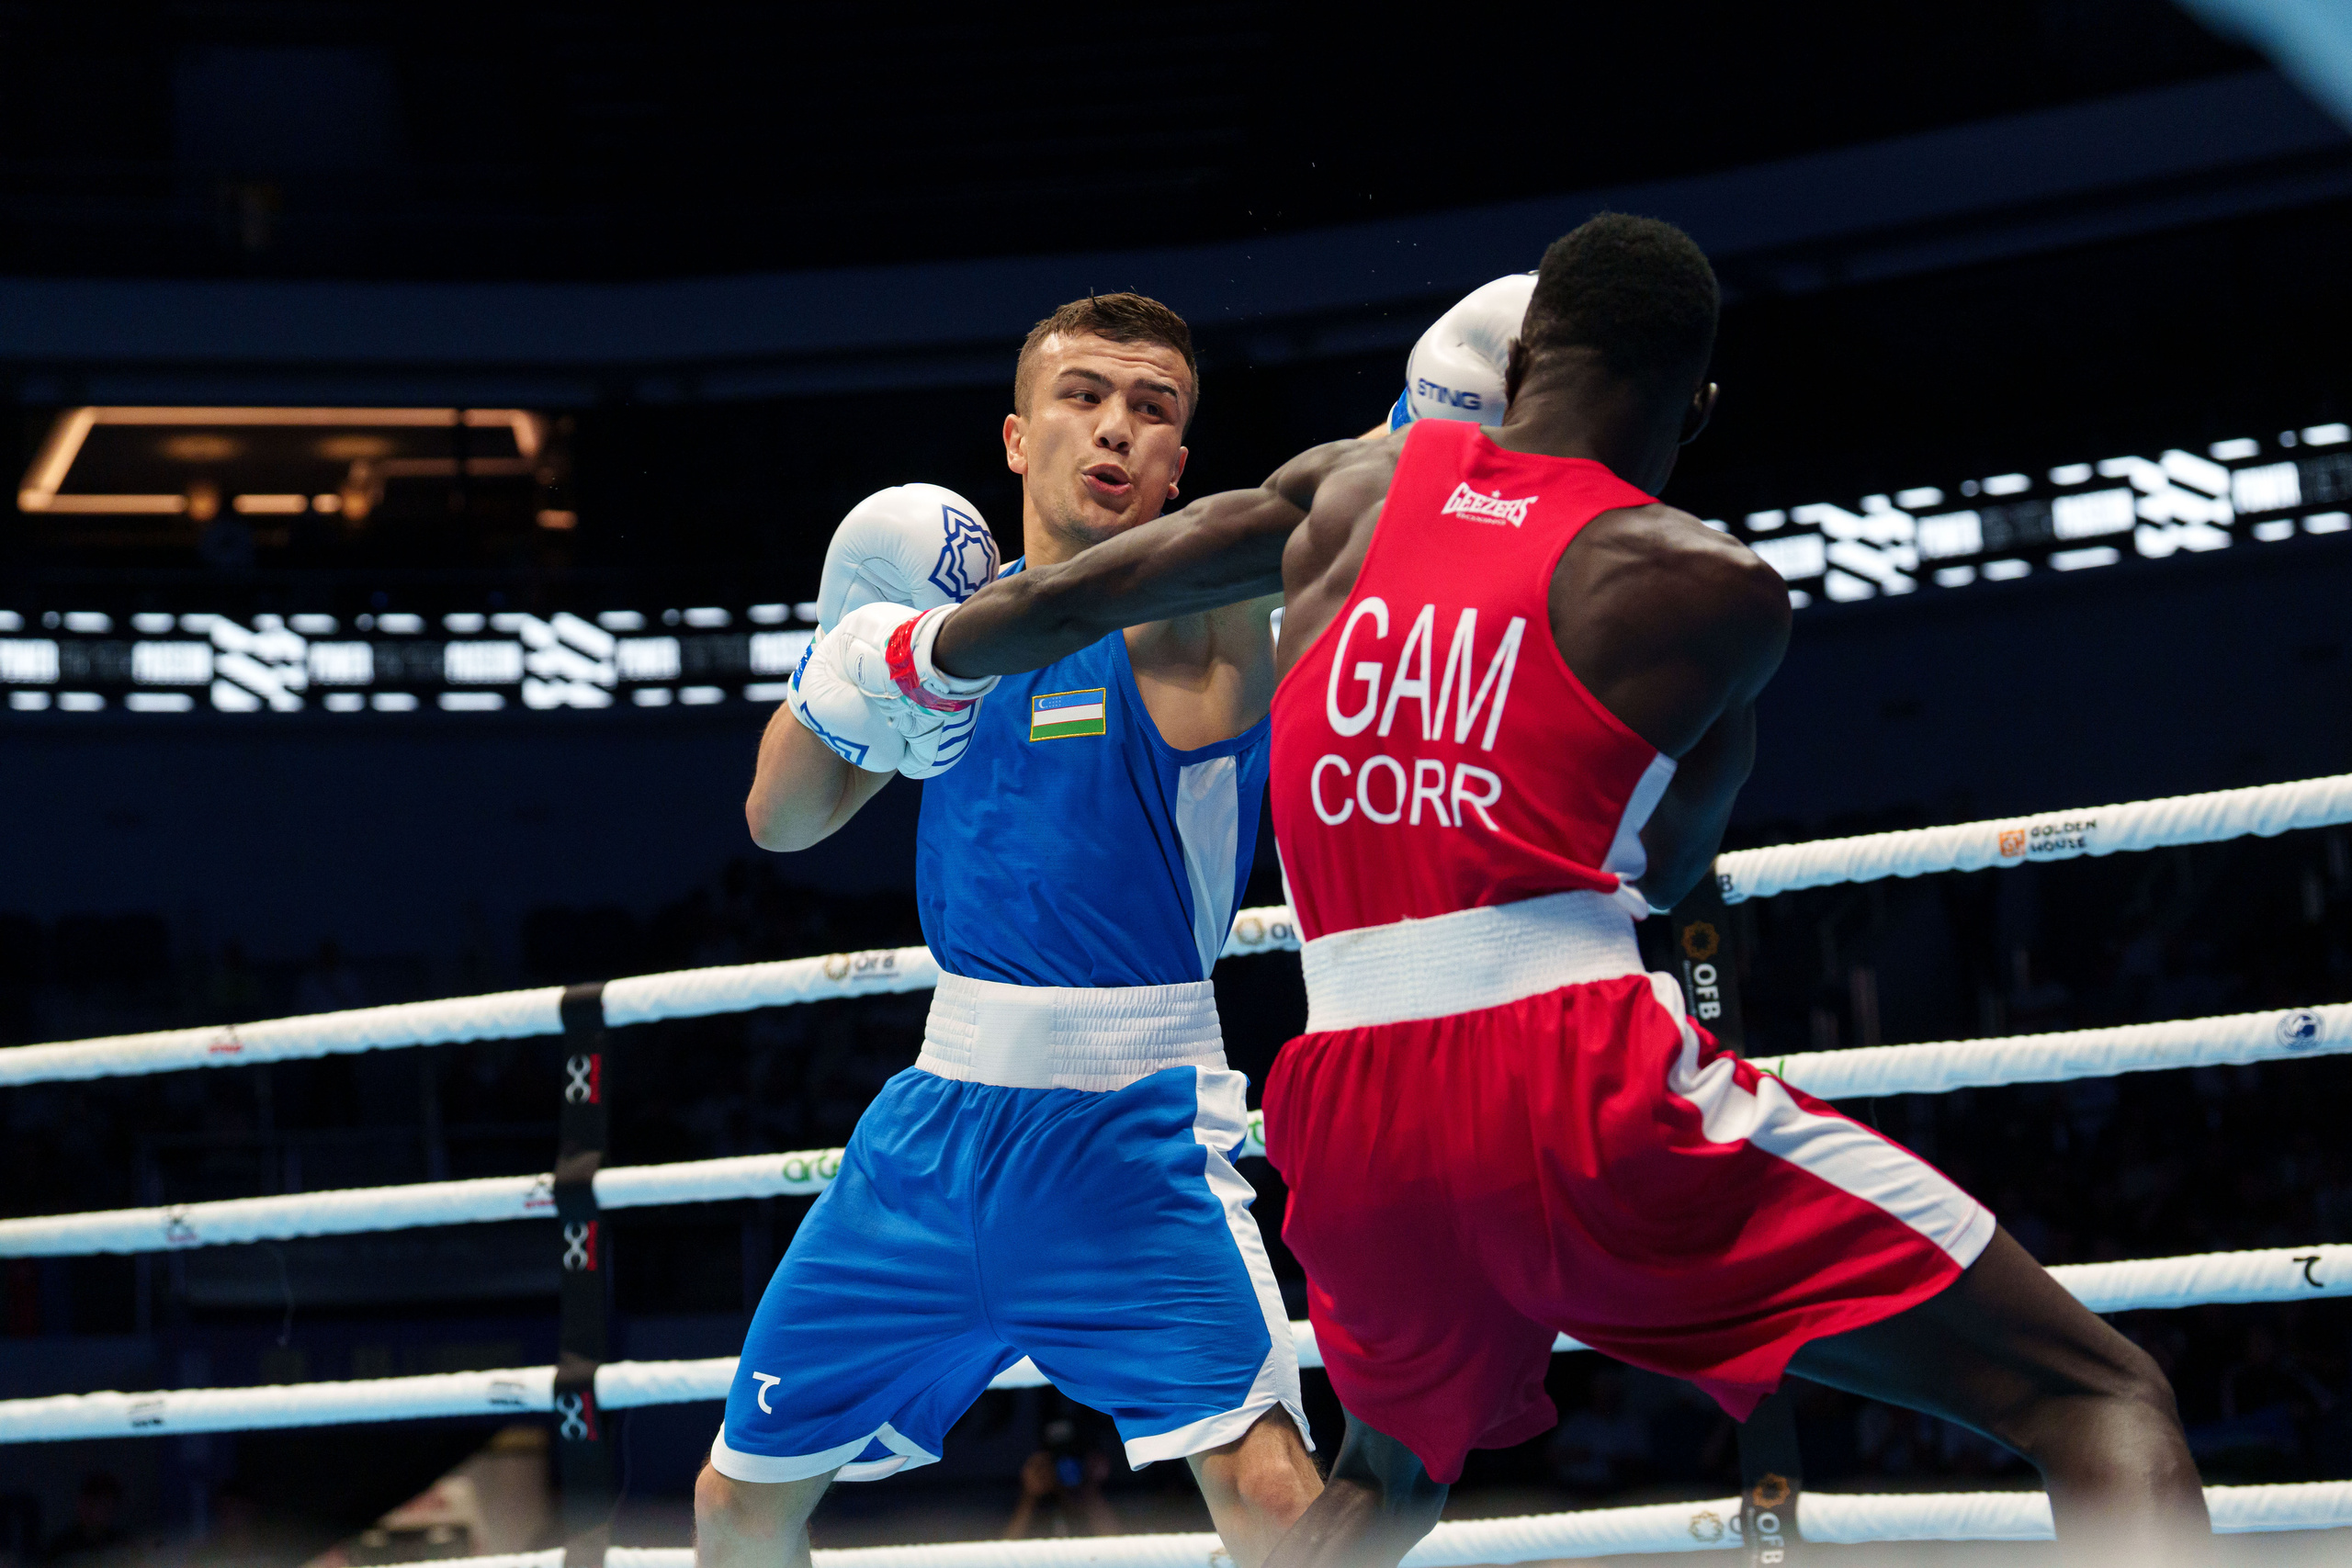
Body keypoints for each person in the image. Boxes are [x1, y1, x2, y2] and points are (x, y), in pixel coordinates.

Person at [892, 214, 2210, 1563]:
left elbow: (1063, 603)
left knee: (1382, 1491)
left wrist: (906, 653)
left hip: (1348, 1115)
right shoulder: (1709, 589)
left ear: (1524, 364)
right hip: (1571, 1081)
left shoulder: (1346, 495)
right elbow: (1672, 866)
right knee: (2099, 1395)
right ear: (1694, 404)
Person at [694, 293, 1321, 1568]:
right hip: (933, 1129)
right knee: (737, 1500)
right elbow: (780, 818)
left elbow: (1294, 524)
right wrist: (859, 664)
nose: (1117, 431)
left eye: (1155, 411)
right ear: (1017, 438)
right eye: (1084, 397)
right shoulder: (951, 649)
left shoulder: (1200, 615)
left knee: (1275, 1501)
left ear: (1182, 463)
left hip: (1127, 1124)